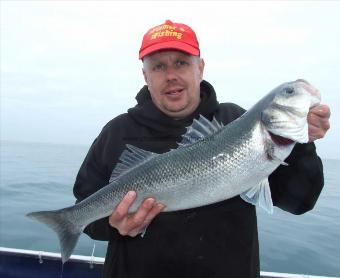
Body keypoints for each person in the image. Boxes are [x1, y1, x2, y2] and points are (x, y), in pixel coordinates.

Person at [73, 20, 330, 278]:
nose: (171, 74)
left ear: (200, 68)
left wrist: (301, 144)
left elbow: (300, 202)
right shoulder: (116, 133)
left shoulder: (237, 122)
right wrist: (114, 225)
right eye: (159, 66)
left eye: (181, 62)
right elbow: (86, 212)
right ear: (145, 76)